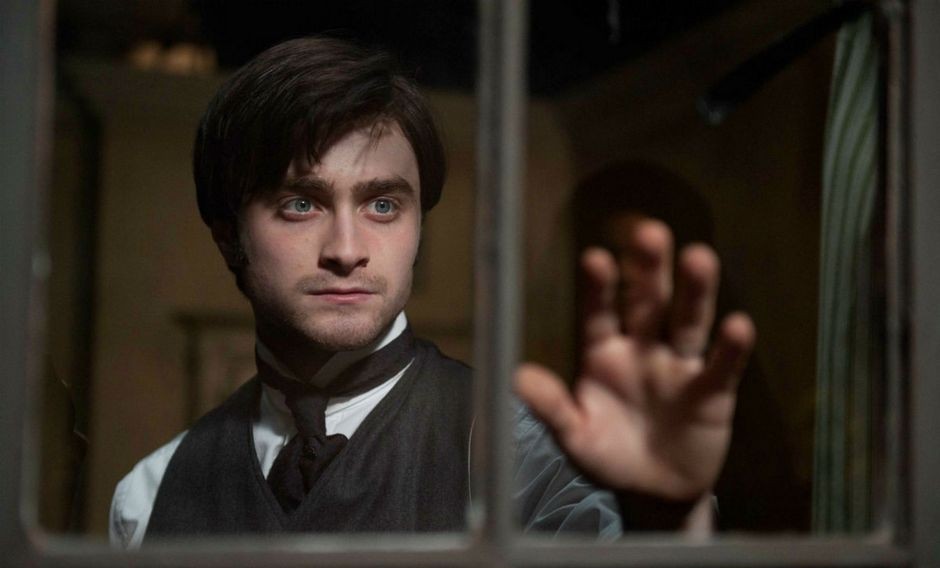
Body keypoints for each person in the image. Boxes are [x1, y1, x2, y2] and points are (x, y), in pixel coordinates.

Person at [109, 37, 755, 548]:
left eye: (383, 205)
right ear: (228, 236)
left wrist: (670, 520)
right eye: (301, 204)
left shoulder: (517, 449)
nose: (347, 249)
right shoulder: (150, 495)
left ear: (419, 226)